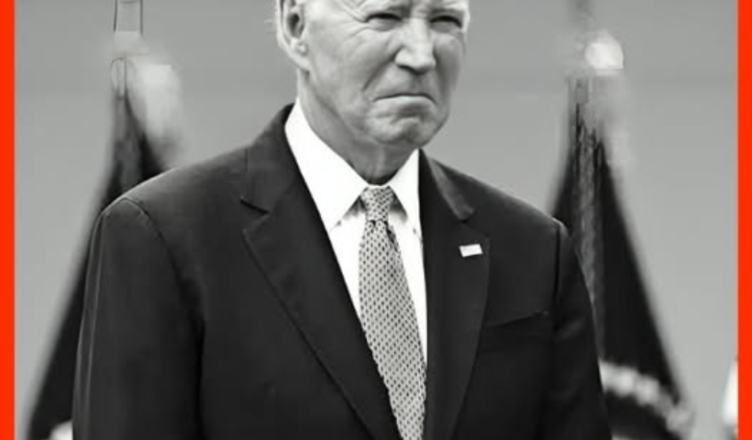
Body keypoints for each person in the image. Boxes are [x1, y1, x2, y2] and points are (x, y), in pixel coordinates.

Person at [73, 0, 611, 439]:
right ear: (295, 25)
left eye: (445, 19)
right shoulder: (165, 238)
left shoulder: (534, 252)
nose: (422, 54)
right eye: (385, 16)